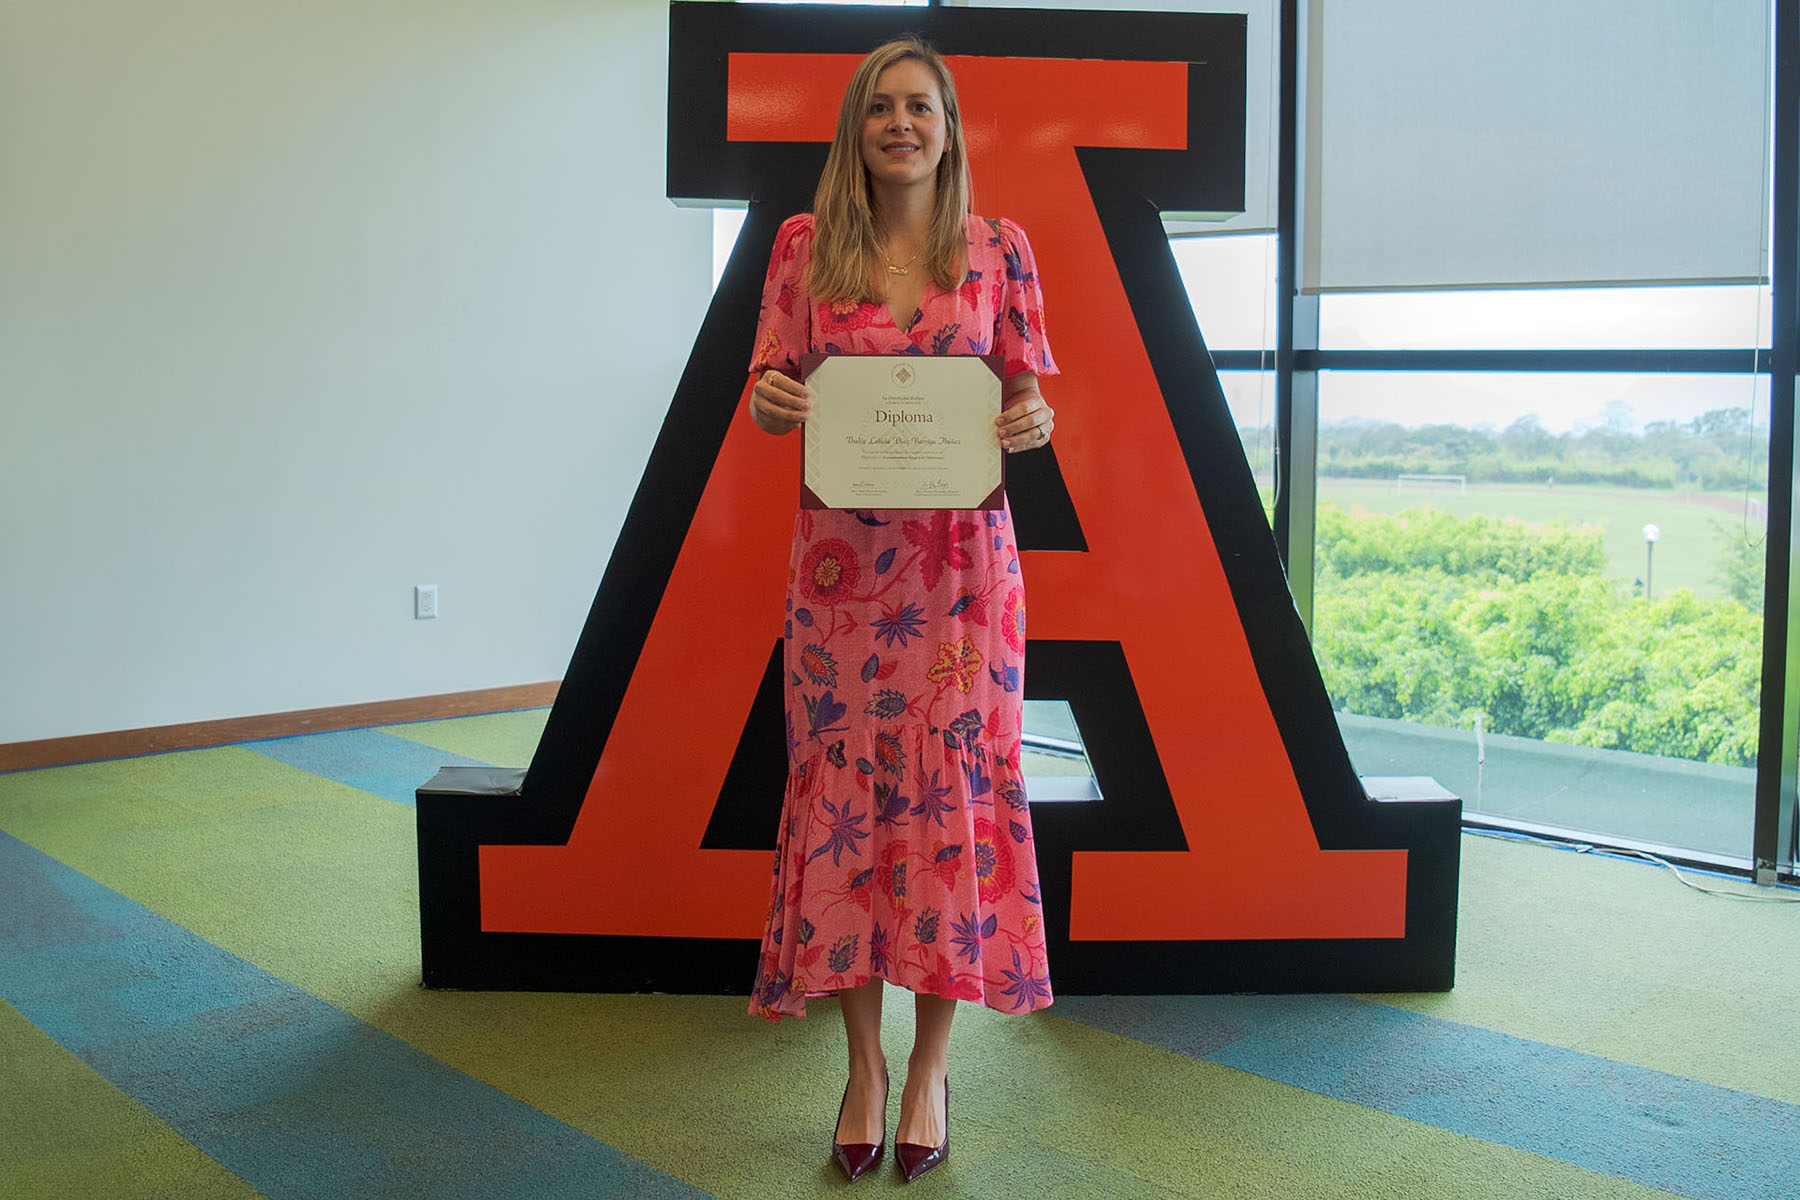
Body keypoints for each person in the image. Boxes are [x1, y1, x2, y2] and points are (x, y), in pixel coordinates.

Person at [745, 36, 1058, 1184]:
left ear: (948, 125)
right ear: (855, 127)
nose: (900, 123)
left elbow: (1022, 397)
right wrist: (774, 401)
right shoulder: (802, 248)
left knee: (949, 803)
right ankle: (862, 1066)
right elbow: (776, 401)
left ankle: (929, 1067)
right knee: (847, 812)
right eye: (880, 107)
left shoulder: (998, 250)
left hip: (965, 583)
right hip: (838, 582)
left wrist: (1035, 423)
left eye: (919, 106)